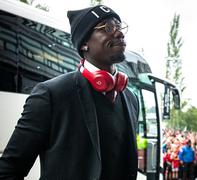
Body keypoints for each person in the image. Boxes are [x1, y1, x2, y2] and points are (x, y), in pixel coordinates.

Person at [0, 5, 139, 180]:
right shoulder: (51, 94)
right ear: (85, 44)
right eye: (108, 27)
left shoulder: (131, 99)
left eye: (119, 26)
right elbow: (8, 170)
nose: (119, 33)